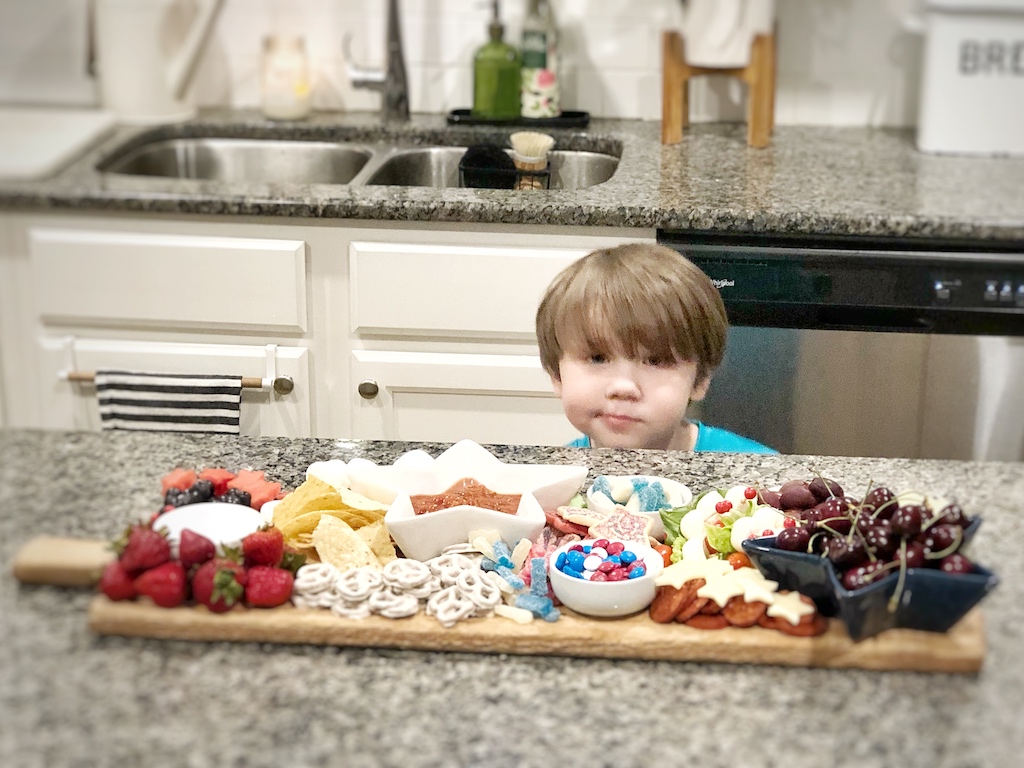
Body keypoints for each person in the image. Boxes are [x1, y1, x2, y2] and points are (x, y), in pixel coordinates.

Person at [535, 242, 776, 453]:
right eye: (598, 358)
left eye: (656, 361)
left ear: (700, 380)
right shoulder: (551, 481)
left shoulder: (757, 475)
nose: (623, 387)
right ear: (557, 375)